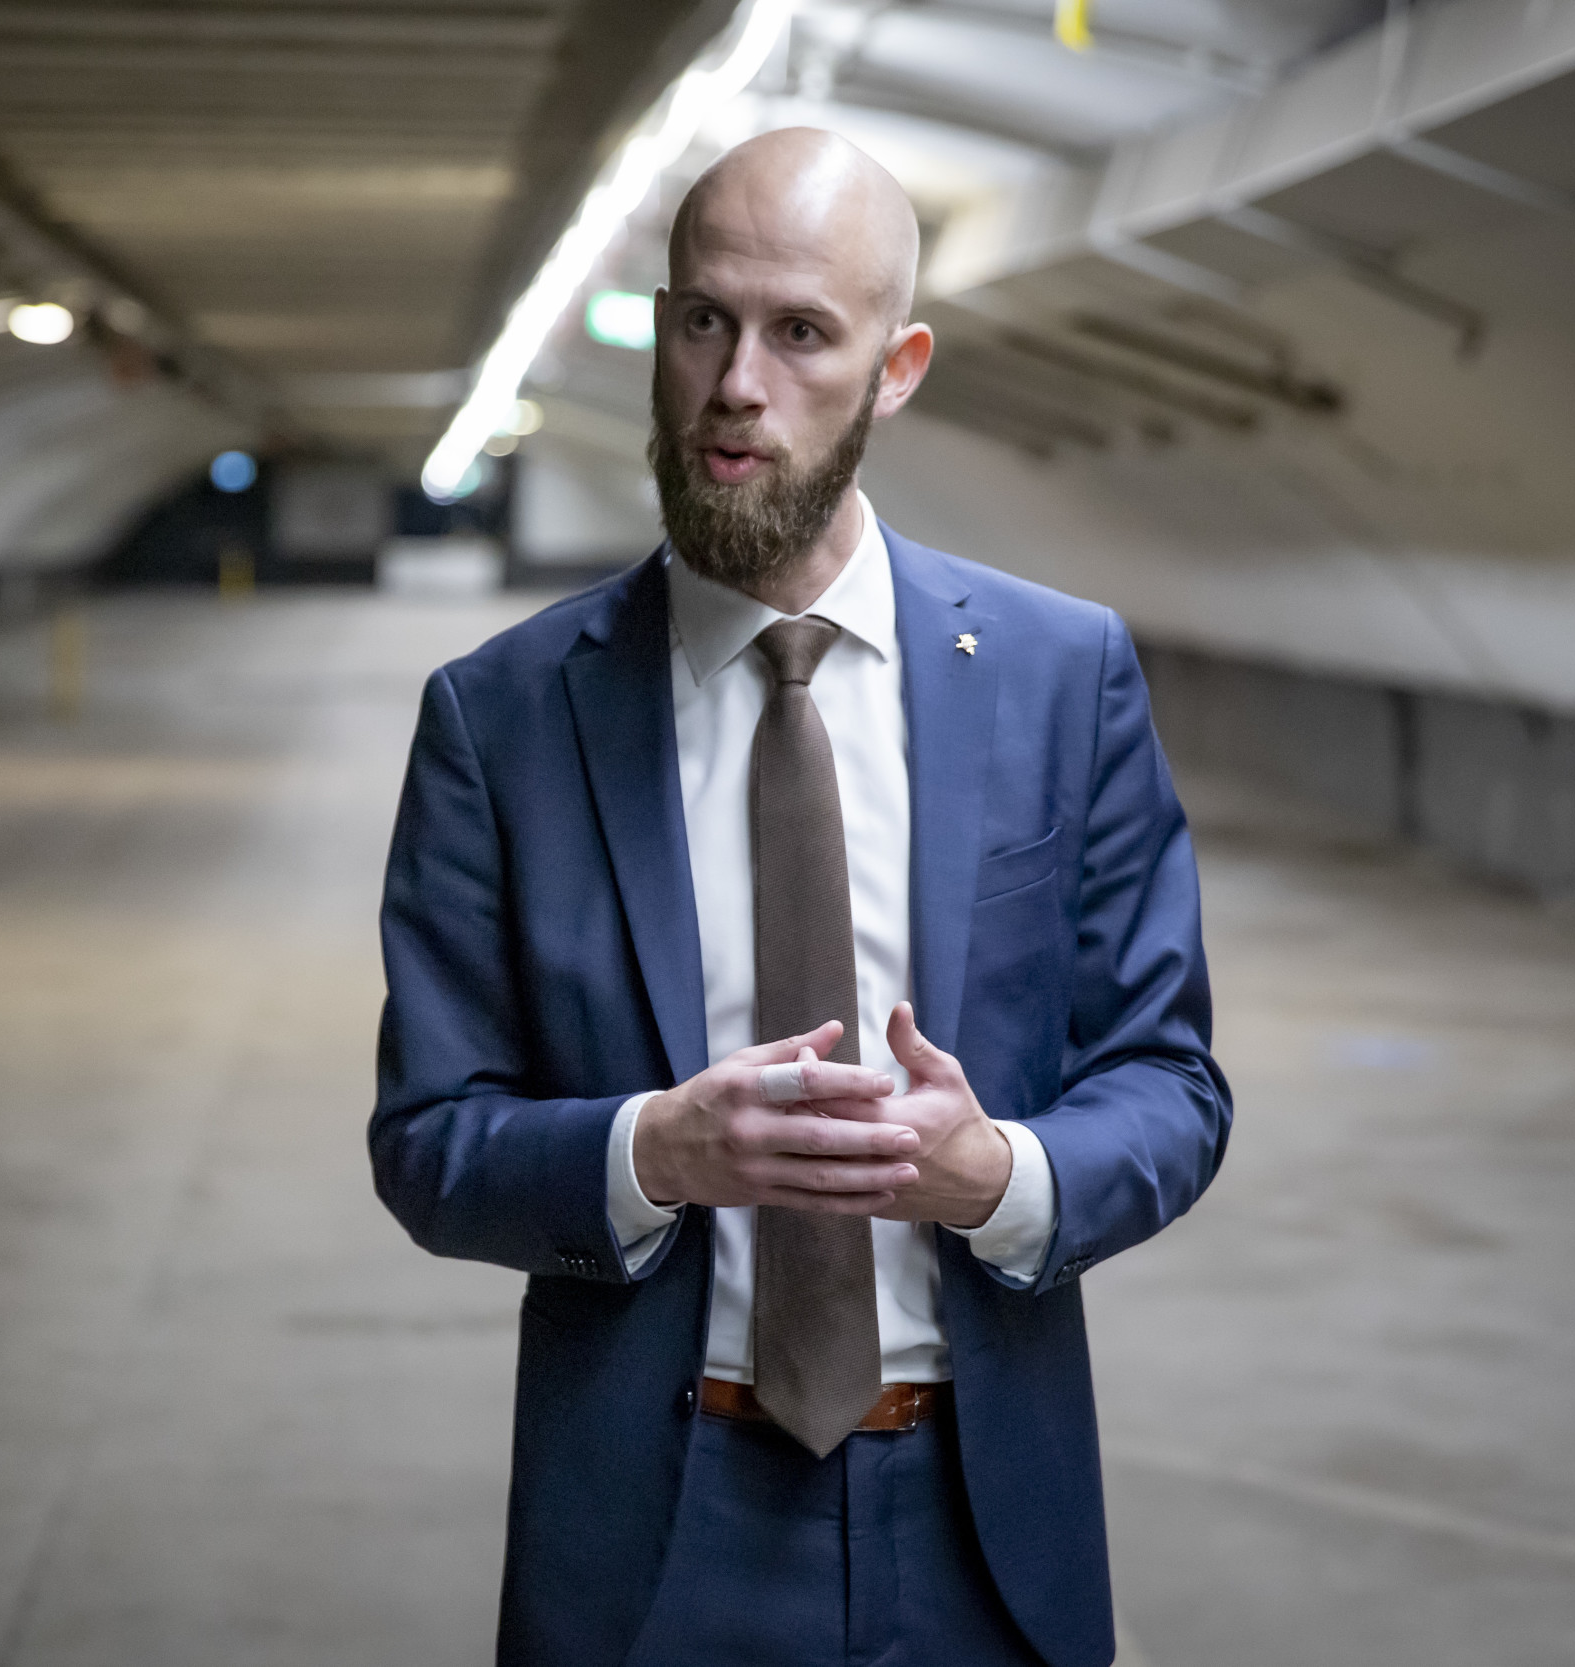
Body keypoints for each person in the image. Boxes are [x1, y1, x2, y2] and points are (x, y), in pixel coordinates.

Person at [369, 128, 1231, 1667]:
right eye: (701, 319)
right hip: (653, 1522)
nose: (734, 385)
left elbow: (1169, 1083)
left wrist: (999, 1175)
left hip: (984, 1518)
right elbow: (431, 1142)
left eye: (800, 333)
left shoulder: (1059, 678)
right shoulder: (499, 719)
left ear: (896, 368)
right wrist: (653, 1149)